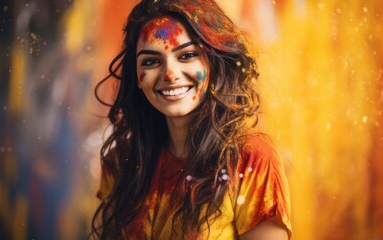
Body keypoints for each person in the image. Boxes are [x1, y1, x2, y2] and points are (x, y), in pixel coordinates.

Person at [91, 0, 291, 239]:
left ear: (214, 63)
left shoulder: (251, 160)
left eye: (186, 55)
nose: (170, 74)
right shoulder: (122, 161)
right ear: (137, 76)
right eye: (151, 61)